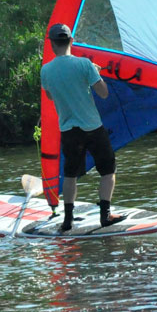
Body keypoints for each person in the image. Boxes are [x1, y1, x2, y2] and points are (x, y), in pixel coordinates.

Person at [40, 23, 125, 232]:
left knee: (70, 174)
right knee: (108, 170)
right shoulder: (85, 65)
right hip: (92, 128)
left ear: (52, 45)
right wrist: (95, 74)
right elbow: (103, 93)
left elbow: (50, 95)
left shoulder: (46, 70)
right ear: (71, 41)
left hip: (69, 130)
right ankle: (105, 216)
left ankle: (67, 220)